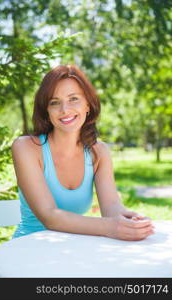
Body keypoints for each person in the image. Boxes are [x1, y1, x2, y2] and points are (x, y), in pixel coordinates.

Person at [11, 64, 154, 241]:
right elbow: (50, 216)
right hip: (27, 250)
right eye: (54, 102)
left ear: (88, 104)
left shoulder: (99, 152)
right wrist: (110, 226)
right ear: (47, 111)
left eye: (73, 99)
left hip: (75, 252)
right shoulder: (26, 148)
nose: (65, 110)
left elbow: (111, 207)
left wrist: (131, 220)